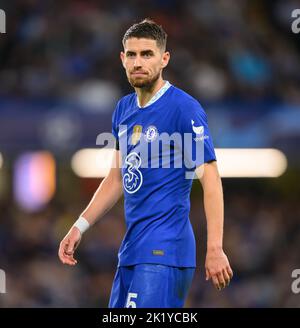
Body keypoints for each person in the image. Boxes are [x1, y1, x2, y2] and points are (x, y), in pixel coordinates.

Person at [58, 19, 233, 308]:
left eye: (147, 54)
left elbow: (210, 177)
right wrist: (79, 226)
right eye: (132, 54)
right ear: (122, 59)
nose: (138, 62)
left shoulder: (182, 108)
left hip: (165, 250)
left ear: (164, 59)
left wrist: (214, 247)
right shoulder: (123, 110)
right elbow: (115, 179)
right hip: (131, 252)